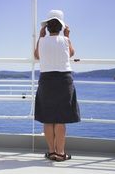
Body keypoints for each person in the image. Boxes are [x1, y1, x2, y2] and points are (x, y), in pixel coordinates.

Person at [34, 10, 80, 161]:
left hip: (46, 80)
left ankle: (52, 151)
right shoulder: (65, 40)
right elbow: (71, 53)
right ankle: (60, 153)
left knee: (48, 118)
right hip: (63, 80)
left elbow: (36, 55)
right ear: (61, 27)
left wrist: (41, 37)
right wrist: (67, 36)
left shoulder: (42, 41)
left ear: (46, 27)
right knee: (60, 119)